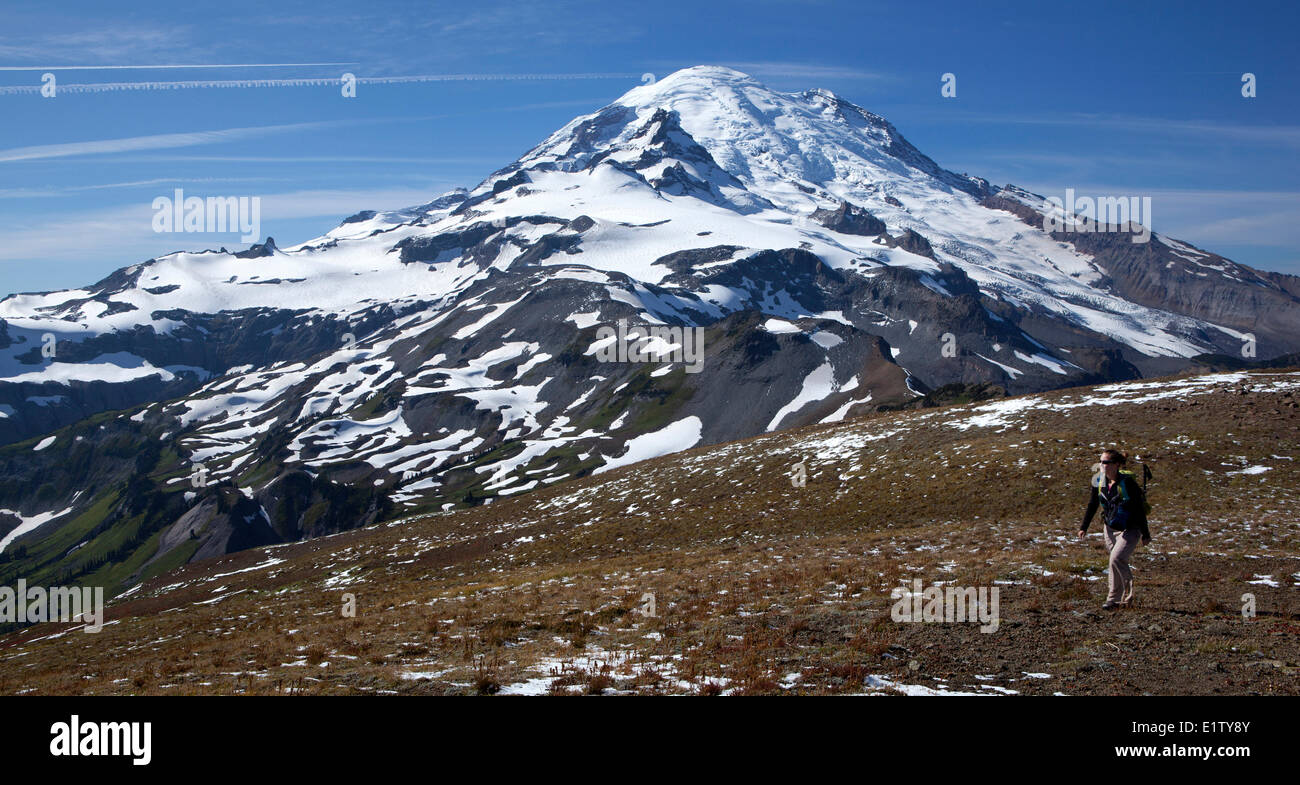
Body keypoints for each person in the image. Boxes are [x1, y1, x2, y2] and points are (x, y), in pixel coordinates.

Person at [1077, 448, 1151, 610]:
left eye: (1106, 462)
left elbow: (1138, 509)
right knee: (1113, 562)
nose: (1102, 465)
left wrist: (1145, 534)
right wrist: (1084, 527)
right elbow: (1093, 504)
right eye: (1101, 462)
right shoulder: (1098, 481)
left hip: (1131, 528)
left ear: (1116, 464)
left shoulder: (1128, 483)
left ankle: (1128, 591)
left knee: (1116, 559)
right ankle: (1114, 601)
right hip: (1110, 528)